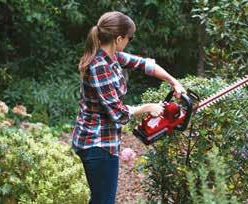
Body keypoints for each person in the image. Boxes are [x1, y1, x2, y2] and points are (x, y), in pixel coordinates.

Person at [72, 11, 186, 204]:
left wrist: (173, 82)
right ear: (118, 38)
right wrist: (148, 107)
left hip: (104, 141)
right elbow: (118, 113)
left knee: (101, 200)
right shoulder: (99, 66)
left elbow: (144, 65)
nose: (129, 41)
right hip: (96, 143)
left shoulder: (113, 57)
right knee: (103, 201)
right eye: (129, 38)